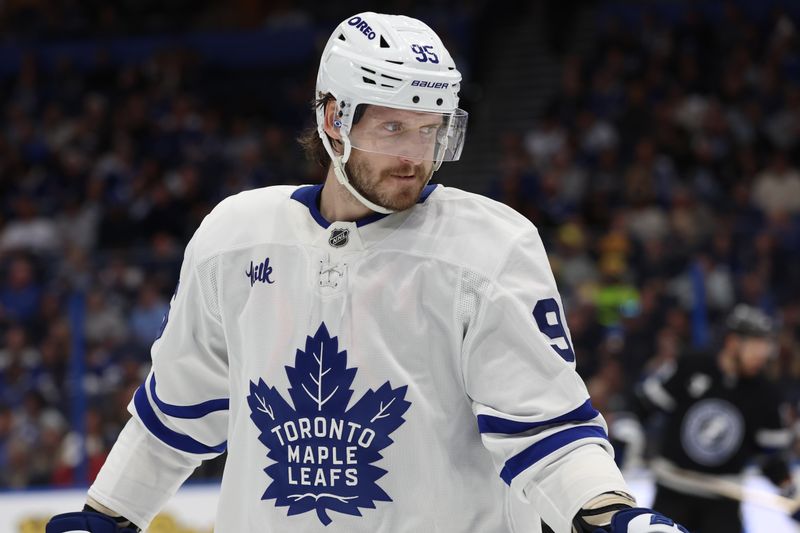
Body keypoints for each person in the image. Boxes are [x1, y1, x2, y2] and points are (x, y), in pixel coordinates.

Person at [48, 12, 688, 533]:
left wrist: (610, 515)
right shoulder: (233, 238)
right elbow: (176, 413)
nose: (415, 156)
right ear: (332, 118)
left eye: (430, 131)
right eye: (392, 128)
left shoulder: (490, 247)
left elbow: (547, 428)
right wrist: (106, 515)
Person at [635, 304, 793, 532]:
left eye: (766, 345)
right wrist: (626, 431)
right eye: (757, 344)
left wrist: (791, 492)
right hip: (673, 493)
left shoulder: (766, 394)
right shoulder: (692, 365)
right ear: (732, 342)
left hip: (723, 502)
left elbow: (771, 458)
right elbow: (643, 406)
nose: (763, 353)